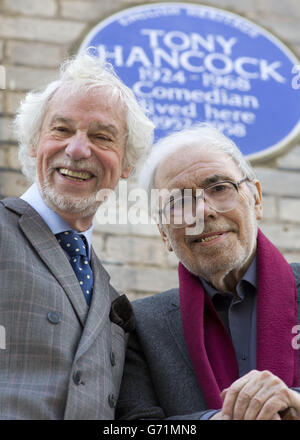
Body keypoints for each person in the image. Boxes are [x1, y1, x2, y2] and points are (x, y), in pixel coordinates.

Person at [0, 52, 154, 419]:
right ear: (34, 143)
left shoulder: (110, 295)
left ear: (127, 164)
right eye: (62, 130)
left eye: (102, 137)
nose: (78, 149)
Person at [116, 123, 300, 420]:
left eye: (219, 188)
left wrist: (292, 401)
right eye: (178, 202)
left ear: (256, 199)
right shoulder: (140, 328)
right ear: (163, 232)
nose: (203, 212)